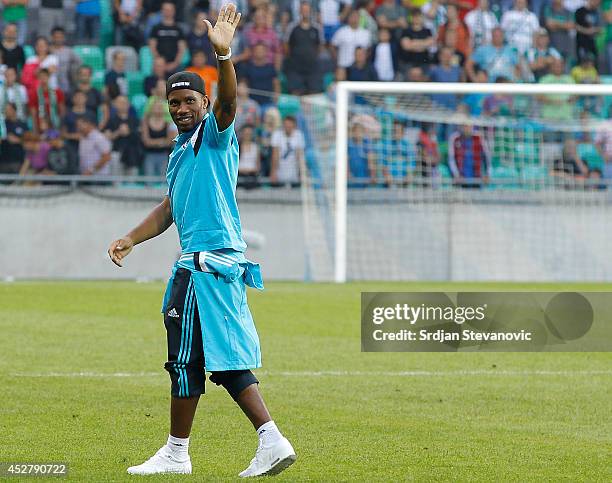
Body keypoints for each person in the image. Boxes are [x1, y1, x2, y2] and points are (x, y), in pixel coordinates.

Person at [107, 4, 296, 477]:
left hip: (207, 264)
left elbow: (231, 104)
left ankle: (186, 452)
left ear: (205, 104)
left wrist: (224, 56)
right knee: (202, 356)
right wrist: (131, 238)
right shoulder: (178, 152)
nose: (181, 108)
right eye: (174, 103)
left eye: (189, 100)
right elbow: (170, 209)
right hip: (197, 262)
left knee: (192, 356)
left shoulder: (215, 136)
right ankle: (251, 442)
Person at [149, 2, 188, 72]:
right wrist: (160, 62)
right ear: (162, 11)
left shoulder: (178, 29)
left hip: (175, 64)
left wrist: (175, 63)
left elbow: (182, 49)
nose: (168, 12)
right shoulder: (156, 28)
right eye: (165, 10)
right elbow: (152, 47)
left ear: (174, 11)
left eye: (170, 10)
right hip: (159, 64)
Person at [448, 123, 490, 187]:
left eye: (469, 125)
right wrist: (456, 175)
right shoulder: (454, 138)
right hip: (461, 179)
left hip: (476, 178)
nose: (467, 128)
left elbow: (487, 158)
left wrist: (487, 174)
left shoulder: (479, 137)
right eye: (465, 125)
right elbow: (451, 159)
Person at [141, 99, 174, 176]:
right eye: (156, 107)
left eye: (160, 107)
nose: (158, 109)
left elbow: (170, 141)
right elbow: (146, 141)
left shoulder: (168, 124)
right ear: (151, 109)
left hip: (163, 155)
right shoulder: (146, 123)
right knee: (149, 180)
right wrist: (162, 142)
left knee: (163, 180)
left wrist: (153, 142)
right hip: (149, 155)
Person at [270, 114, 304, 186]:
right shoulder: (277, 134)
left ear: (294, 126)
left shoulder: (299, 135)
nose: (287, 127)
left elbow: (300, 156)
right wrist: (273, 172)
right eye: (286, 125)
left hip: (293, 171)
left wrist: (301, 173)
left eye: (290, 126)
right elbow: (275, 155)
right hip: (280, 171)